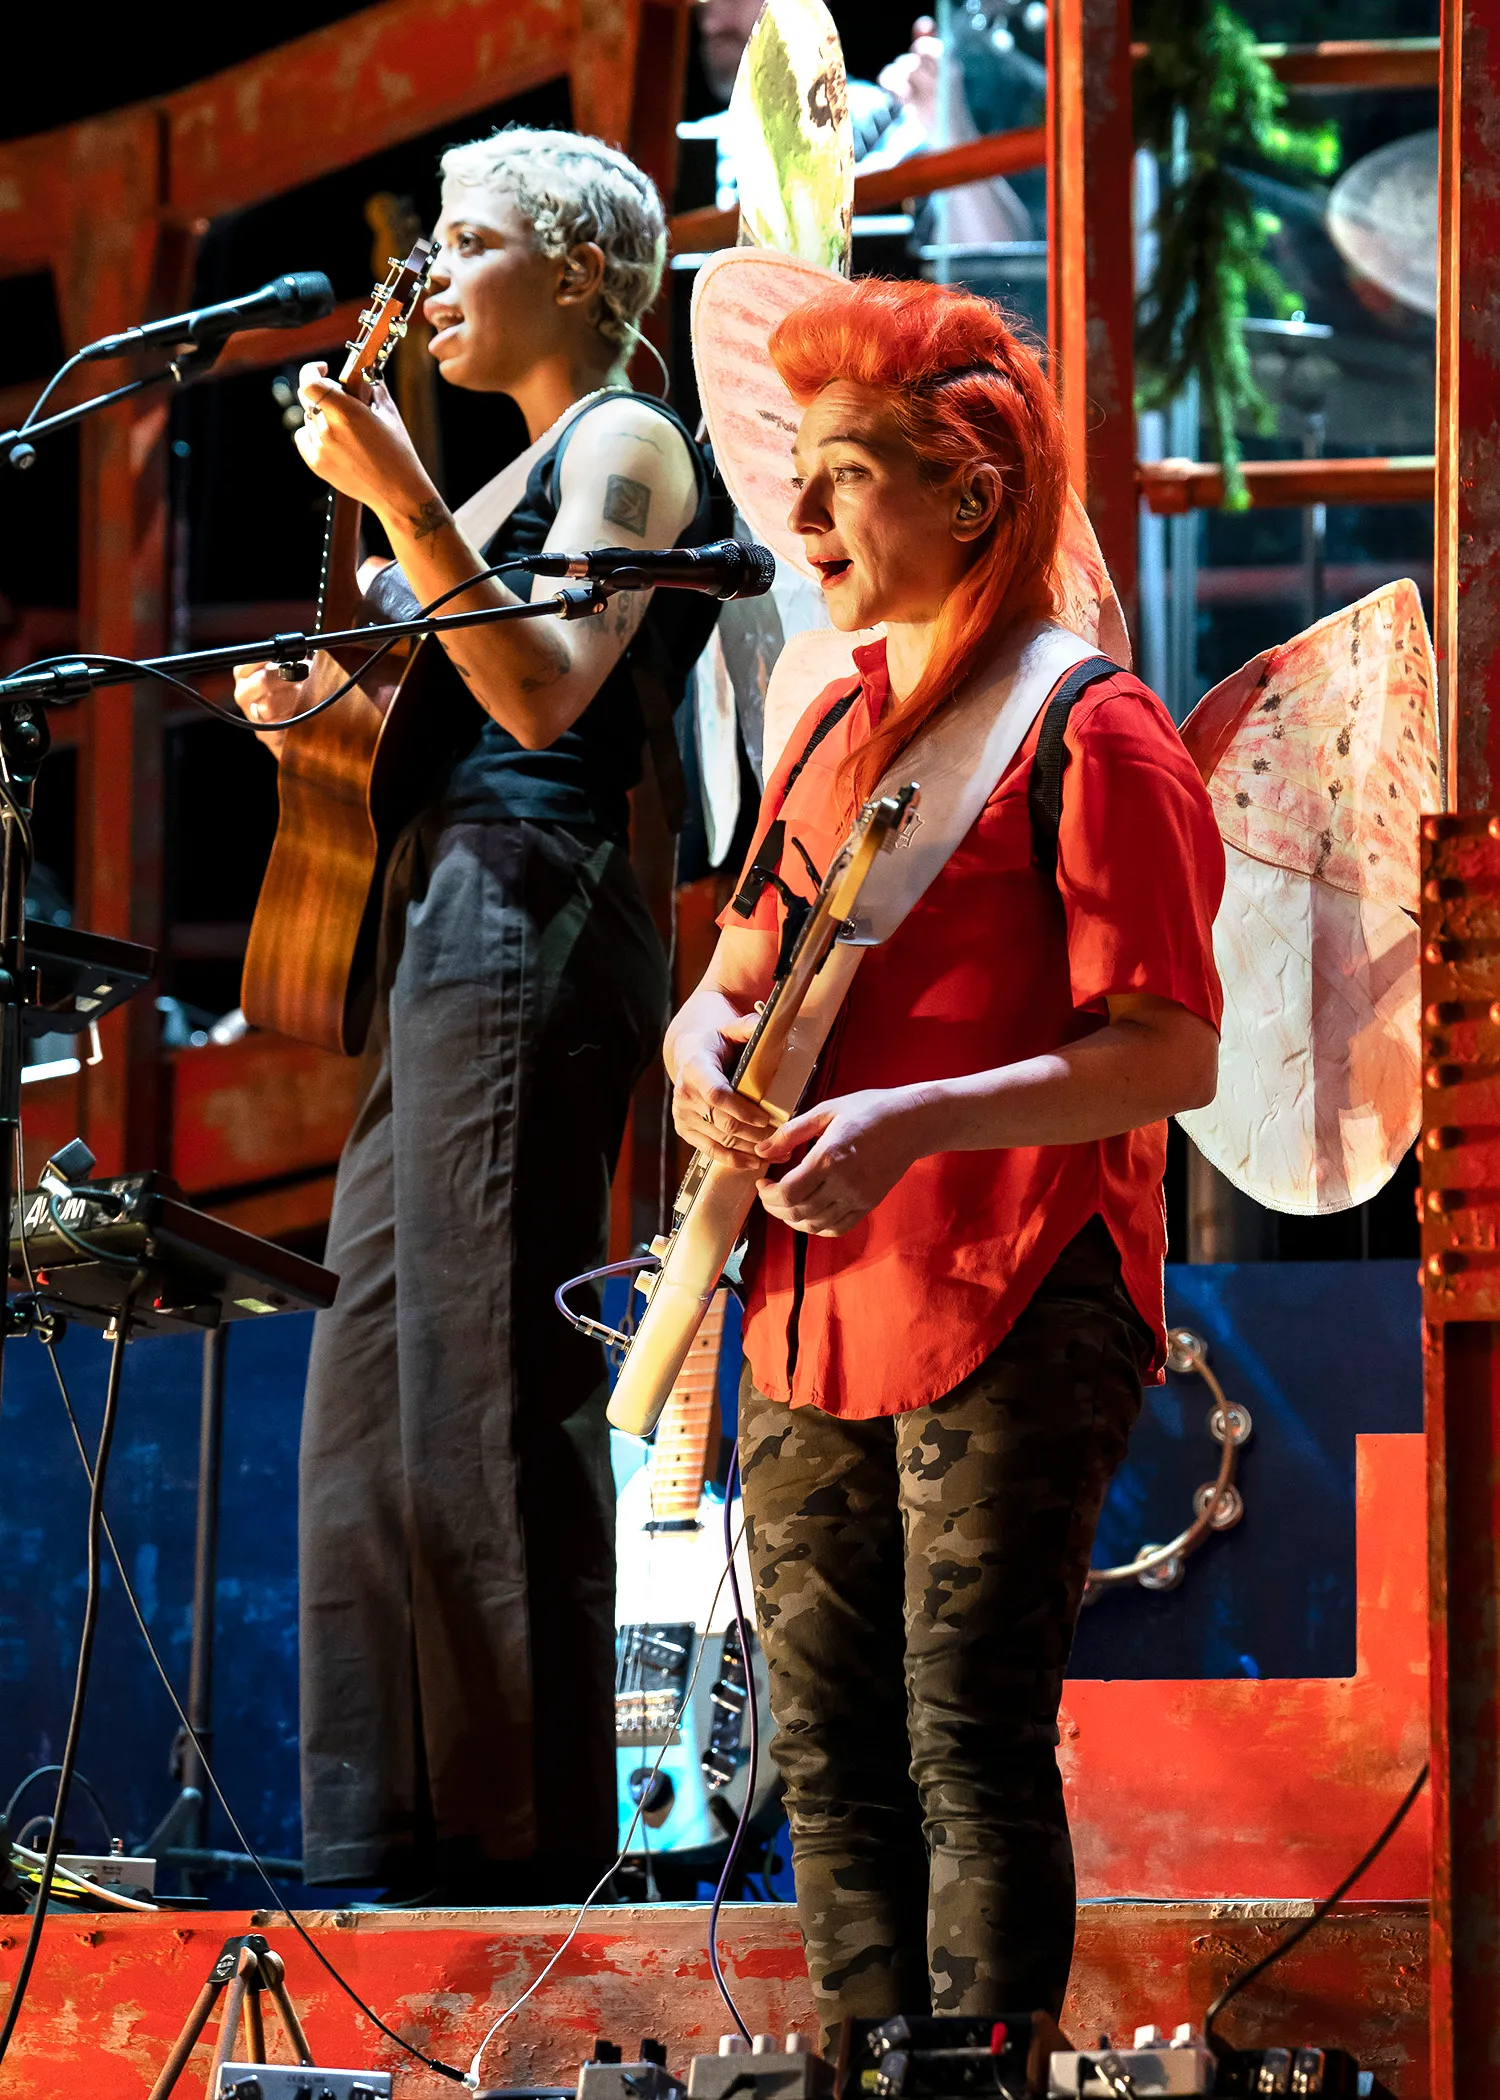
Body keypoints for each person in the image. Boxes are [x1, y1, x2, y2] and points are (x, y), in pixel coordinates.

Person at [667, 275, 1224, 2039]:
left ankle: (978, 2081)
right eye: (800, 473)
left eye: (845, 473)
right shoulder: (826, 726)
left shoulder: (1092, 730)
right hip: (807, 1298)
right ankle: (859, 2072)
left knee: (965, 1734)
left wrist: (915, 1118)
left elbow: (1171, 1054)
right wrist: (695, 1059)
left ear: (974, 495)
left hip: (1018, 1280)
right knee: (825, 1758)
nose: (801, 513)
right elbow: (727, 985)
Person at [234, 127, 717, 1901]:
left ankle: (531, 1864)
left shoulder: (626, 443)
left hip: (534, 913)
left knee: (490, 1391)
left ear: (580, 271)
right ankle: (389, 1849)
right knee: (366, 1406)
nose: (429, 275)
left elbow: (544, 693)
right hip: (439, 925)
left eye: (469, 240)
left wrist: (398, 495)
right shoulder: (511, 477)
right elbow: (446, 710)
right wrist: (324, 725)